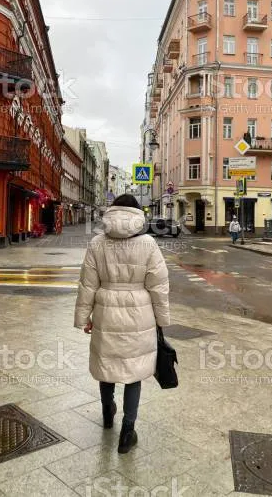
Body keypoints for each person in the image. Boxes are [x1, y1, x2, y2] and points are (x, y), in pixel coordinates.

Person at [74, 194, 170, 454]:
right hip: (140, 314)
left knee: (107, 366)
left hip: (106, 312)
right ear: (138, 215)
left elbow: (87, 284)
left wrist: (84, 318)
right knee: (133, 373)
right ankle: (128, 431)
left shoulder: (97, 243)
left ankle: (108, 412)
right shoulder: (149, 244)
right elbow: (158, 287)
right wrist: (162, 320)